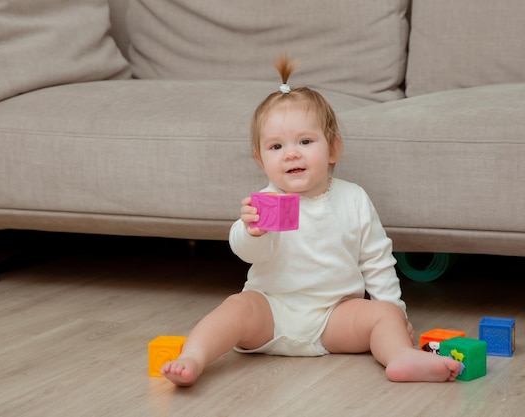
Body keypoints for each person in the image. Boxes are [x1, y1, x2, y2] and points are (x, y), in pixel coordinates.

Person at [161, 55, 462, 386]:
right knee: (236, 307)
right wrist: (253, 231)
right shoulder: (267, 201)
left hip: (334, 317)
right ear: (261, 160)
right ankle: (193, 356)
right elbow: (247, 251)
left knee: (384, 315)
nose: (291, 153)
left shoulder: (354, 198)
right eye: (277, 146)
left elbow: (377, 261)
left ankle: (400, 356)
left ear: (333, 149)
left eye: (305, 141)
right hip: (271, 312)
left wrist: (396, 315)